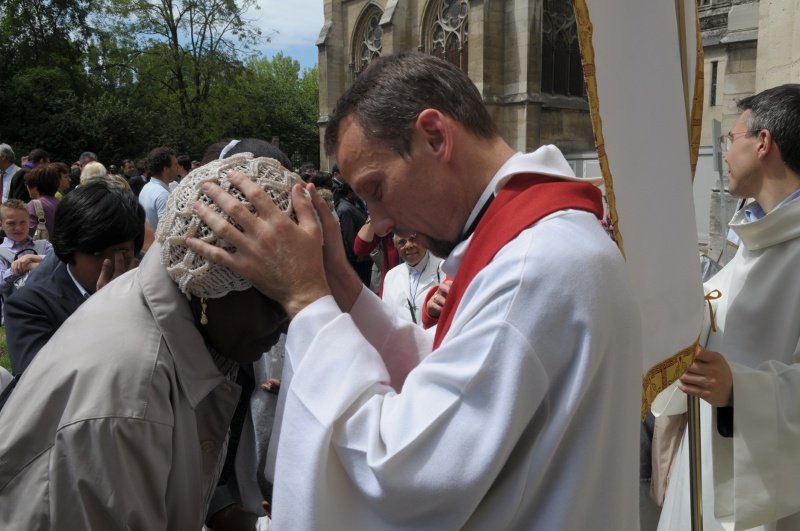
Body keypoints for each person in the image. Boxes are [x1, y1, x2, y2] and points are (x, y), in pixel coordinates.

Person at [187, 52, 642, 530]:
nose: (379, 224)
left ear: (435, 136)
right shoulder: (546, 241)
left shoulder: (534, 267)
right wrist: (341, 285)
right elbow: (450, 373)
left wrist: (307, 302)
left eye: (377, 189)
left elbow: (402, 470)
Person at [0, 156, 292, 529]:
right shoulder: (128, 396)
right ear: (208, 285)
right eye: (272, 299)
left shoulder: (190, 326)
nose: (287, 321)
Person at [655, 84, 800, 531]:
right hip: (699, 472)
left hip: (764, 495)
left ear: (763, 143)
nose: (726, 152)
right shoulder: (754, 240)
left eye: (730, 139)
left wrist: (740, 390)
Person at [4, 181, 143, 376]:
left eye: (122, 251)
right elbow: (40, 387)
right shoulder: (29, 307)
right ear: (69, 249)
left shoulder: (146, 286)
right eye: (96, 252)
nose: (111, 262)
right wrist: (108, 311)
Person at [381, 234, 442, 324]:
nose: (408, 245)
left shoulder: (444, 269)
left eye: (413, 239)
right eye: (402, 242)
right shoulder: (391, 276)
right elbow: (387, 317)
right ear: (396, 246)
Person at [0, 199, 52, 300]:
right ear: (1, 225)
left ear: (29, 221)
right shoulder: (1, 253)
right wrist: (21, 267)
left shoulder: (44, 245)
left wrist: (32, 258)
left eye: (23, 222)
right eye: (11, 223)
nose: (18, 228)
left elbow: (59, 262)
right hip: (14, 311)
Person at [139, 146, 179, 230]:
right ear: (165, 169)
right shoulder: (163, 195)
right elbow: (167, 230)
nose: (178, 167)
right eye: (175, 164)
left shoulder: (145, 188)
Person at [23, 163, 61, 240]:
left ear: (34, 186)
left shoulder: (33, 205)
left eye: (27, 184)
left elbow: (26, 234)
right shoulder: (63, 203)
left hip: (41, 251)